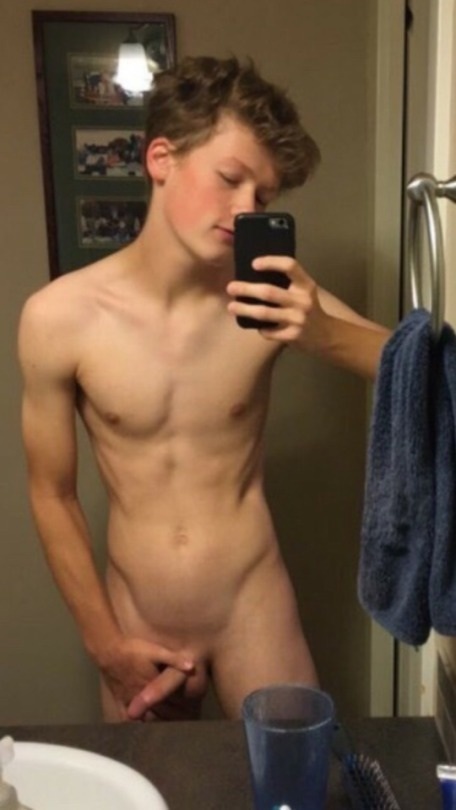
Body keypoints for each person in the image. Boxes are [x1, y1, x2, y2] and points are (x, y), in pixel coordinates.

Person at [18, 55, 390, 722]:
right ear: (160, 158)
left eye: (263, 198)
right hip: (137, 612)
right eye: (230, 178)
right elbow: (52, 493)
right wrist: (104, 644)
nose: (245, 209)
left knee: (297, 776)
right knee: (146, 781)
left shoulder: (270, 296)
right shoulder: (59, 318)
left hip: (253, 602)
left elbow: (417, 370)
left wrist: (324, 334)